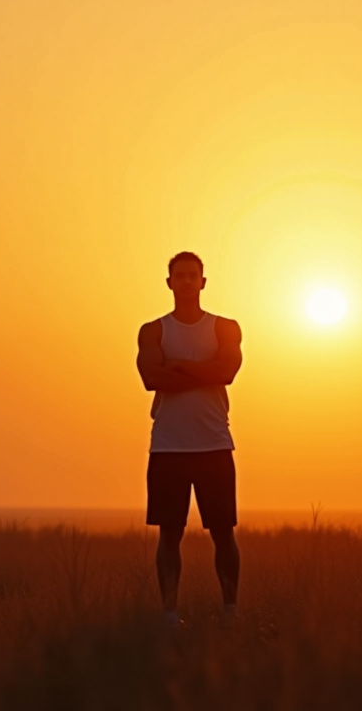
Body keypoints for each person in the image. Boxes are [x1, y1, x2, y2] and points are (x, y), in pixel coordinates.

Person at [136, 251, 244, 626]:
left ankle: (230, 611)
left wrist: (177, 365)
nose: (185, 281)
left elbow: (228, 371)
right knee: (169, 534)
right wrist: (205, 373)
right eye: (178, 276)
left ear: (203, 281)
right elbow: (152, 378)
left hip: (214, 444)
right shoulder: (153, 330)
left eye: (191, 275)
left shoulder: (225, 327)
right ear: (169, 282)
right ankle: (169, 615)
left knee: (223, 533)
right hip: (168, 446)